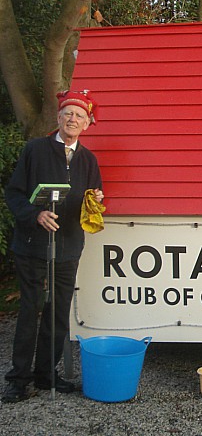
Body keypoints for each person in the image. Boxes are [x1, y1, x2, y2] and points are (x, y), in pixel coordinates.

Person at [2, 90, 103, 403]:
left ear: (87, 124)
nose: (73, 120)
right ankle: (19, 379)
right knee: (30, 310)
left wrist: (96, 200)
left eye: (79, 116)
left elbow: (95, 195)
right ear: (58, 118)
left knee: (59, 313)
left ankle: (46, 375)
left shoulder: (88, 159)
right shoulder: (36, 149)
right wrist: (36, 215)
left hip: (69, 245)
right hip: (32, 246)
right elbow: (14, 194)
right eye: (68, 114)